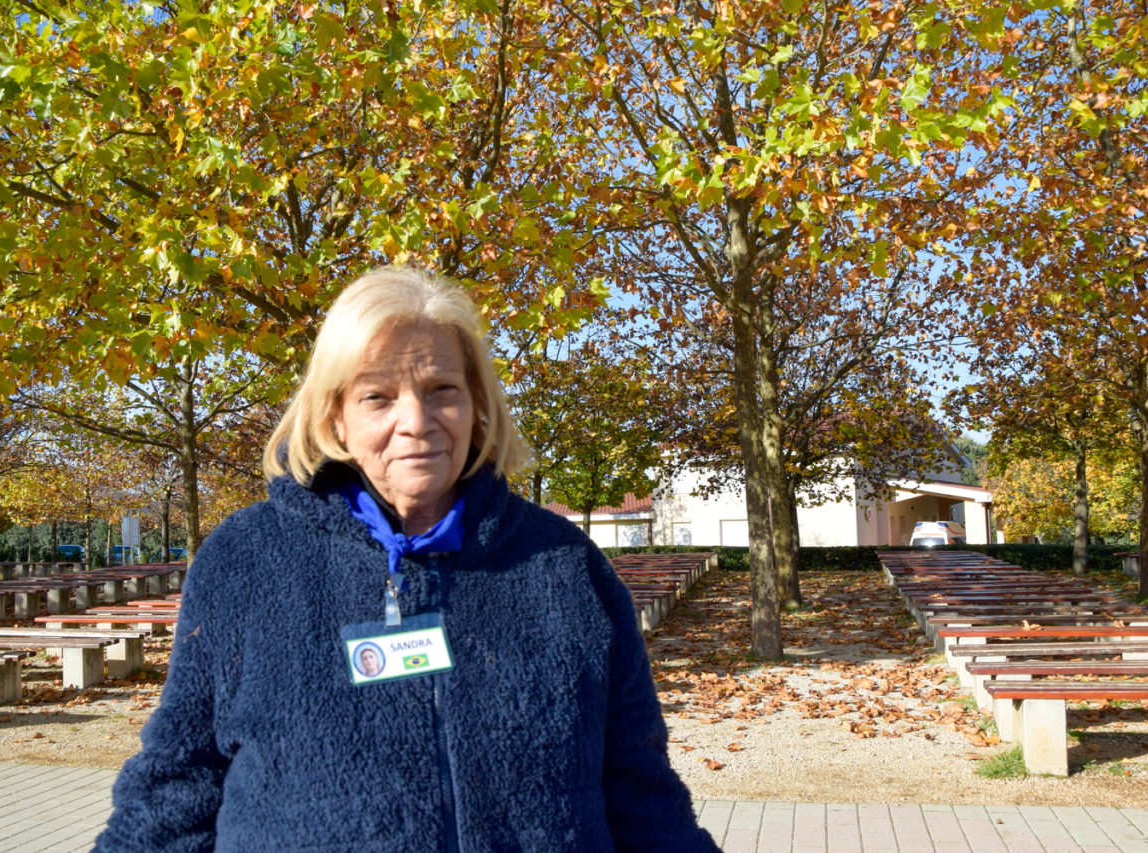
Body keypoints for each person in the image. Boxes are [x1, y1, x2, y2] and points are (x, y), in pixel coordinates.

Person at [95, 267, 720, 853]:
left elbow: (641, 790)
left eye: (441, 389)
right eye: (378, 396)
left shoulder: (563, 564)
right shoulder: (245, 559)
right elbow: (176, 784)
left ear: (475, 404)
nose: (416, 421)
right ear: (336, 416)